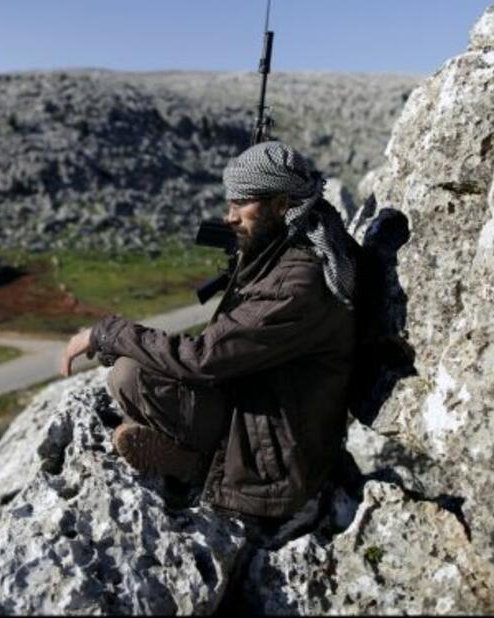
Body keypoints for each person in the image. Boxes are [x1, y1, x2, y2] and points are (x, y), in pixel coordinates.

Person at [59, 141, 358, 526]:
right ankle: (194, 456)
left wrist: (105, 332)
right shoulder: (296, 241)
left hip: (277, 459)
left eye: (241, 205)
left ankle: (200, 468)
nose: (229, 217)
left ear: (283, 205)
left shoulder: (299, 282)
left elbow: (203, 357)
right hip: (260, 404)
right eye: (229, 203)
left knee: (130, 375)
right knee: (134, 374)